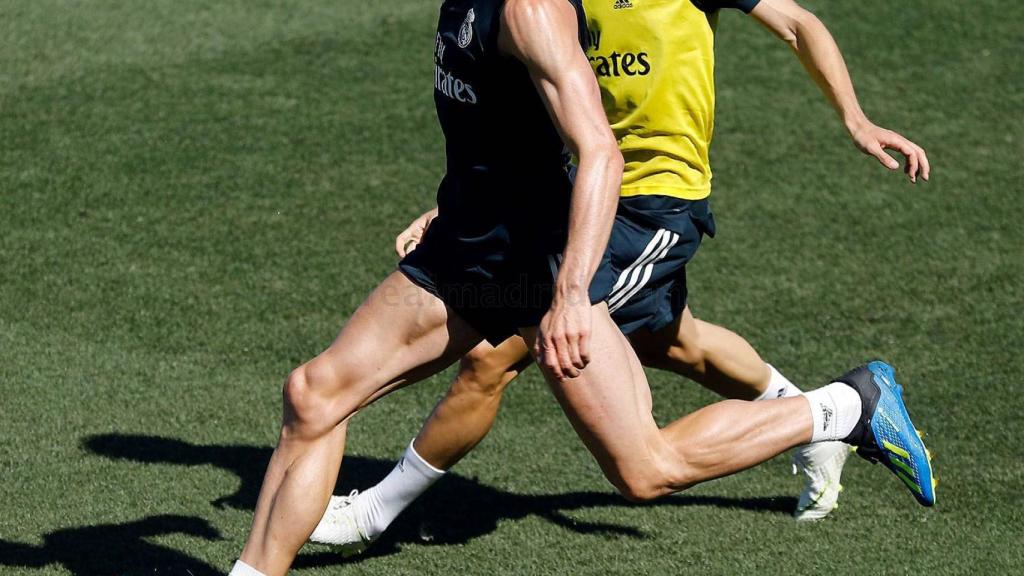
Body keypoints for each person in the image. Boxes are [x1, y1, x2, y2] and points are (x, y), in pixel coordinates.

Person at [231, 2, 933, 574]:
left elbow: (600, 148)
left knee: (636, 461)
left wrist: (568, 296)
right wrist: (451, 211)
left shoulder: (533, 10)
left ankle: (843, 408)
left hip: (591, 234)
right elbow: (513, 136)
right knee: (314, 393)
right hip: (482, 242)